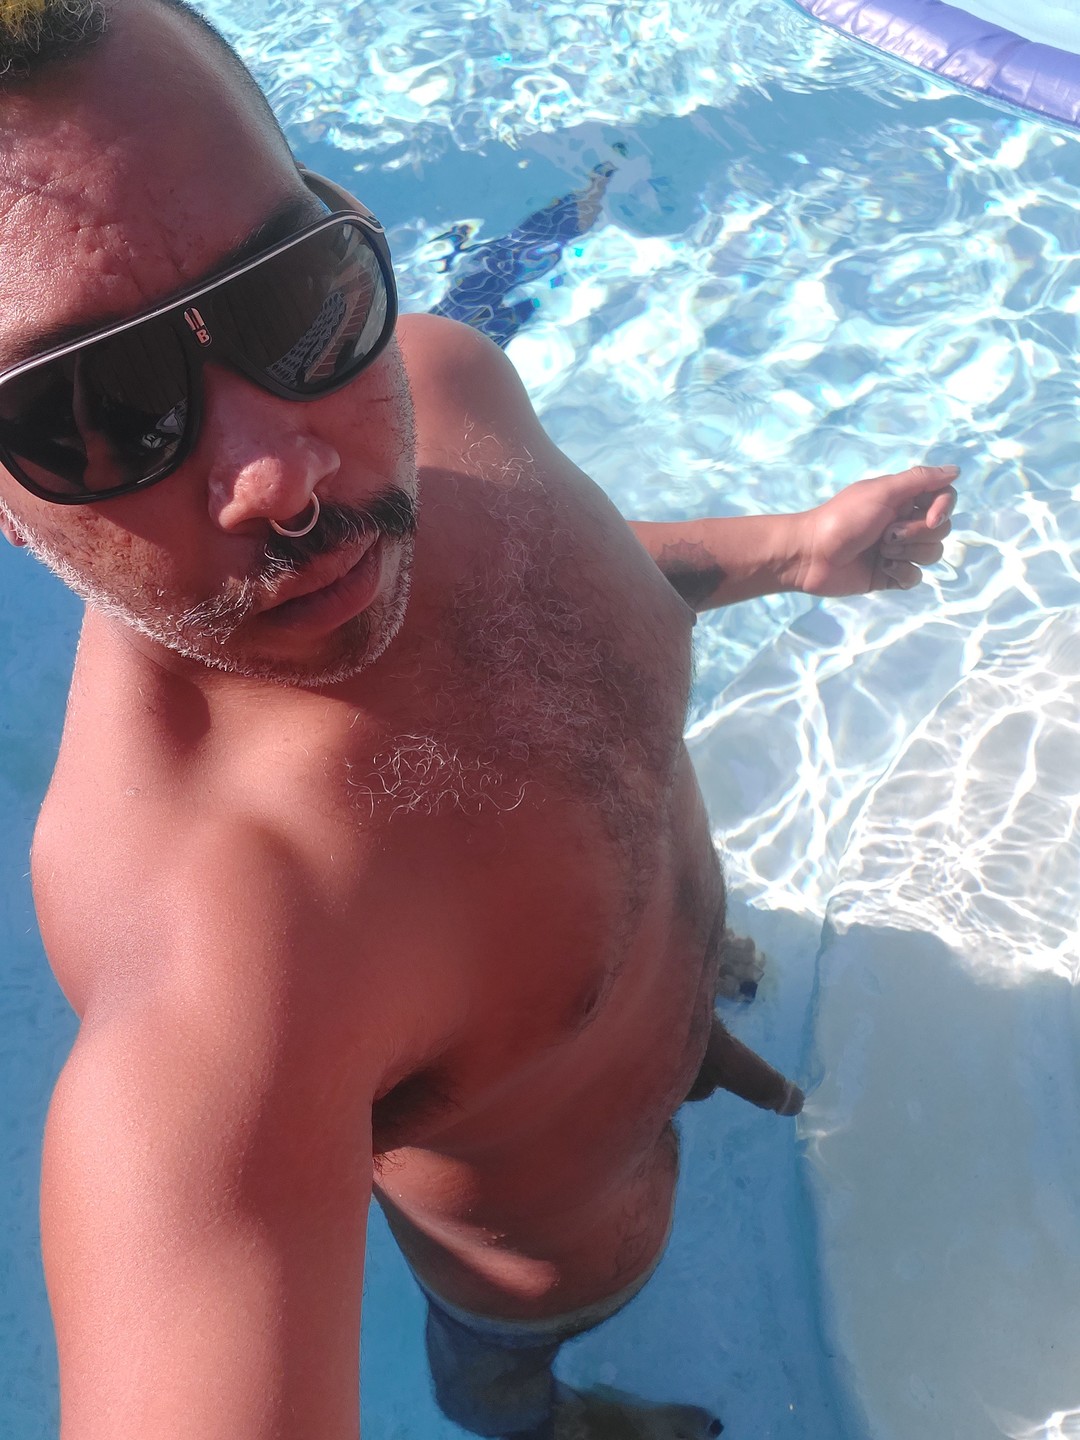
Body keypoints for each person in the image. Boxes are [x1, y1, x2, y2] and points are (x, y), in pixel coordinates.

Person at [0, 2, 958, 1436]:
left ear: (349, 224)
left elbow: (586, 585)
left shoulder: (447, 388)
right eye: (95, 408)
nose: (284, 475)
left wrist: (791, 550)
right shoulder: (231, 950)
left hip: (649, 1018)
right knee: (503, 1374)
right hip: (540, 1267)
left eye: (293, 293)